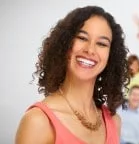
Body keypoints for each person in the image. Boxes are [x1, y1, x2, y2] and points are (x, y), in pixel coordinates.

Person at [15, 6, 128, 144]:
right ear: (65, 43)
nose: (90, 50)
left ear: (111, 56)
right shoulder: (38, 121)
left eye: (101, 44)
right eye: (82, 37)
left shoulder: (114, 122)